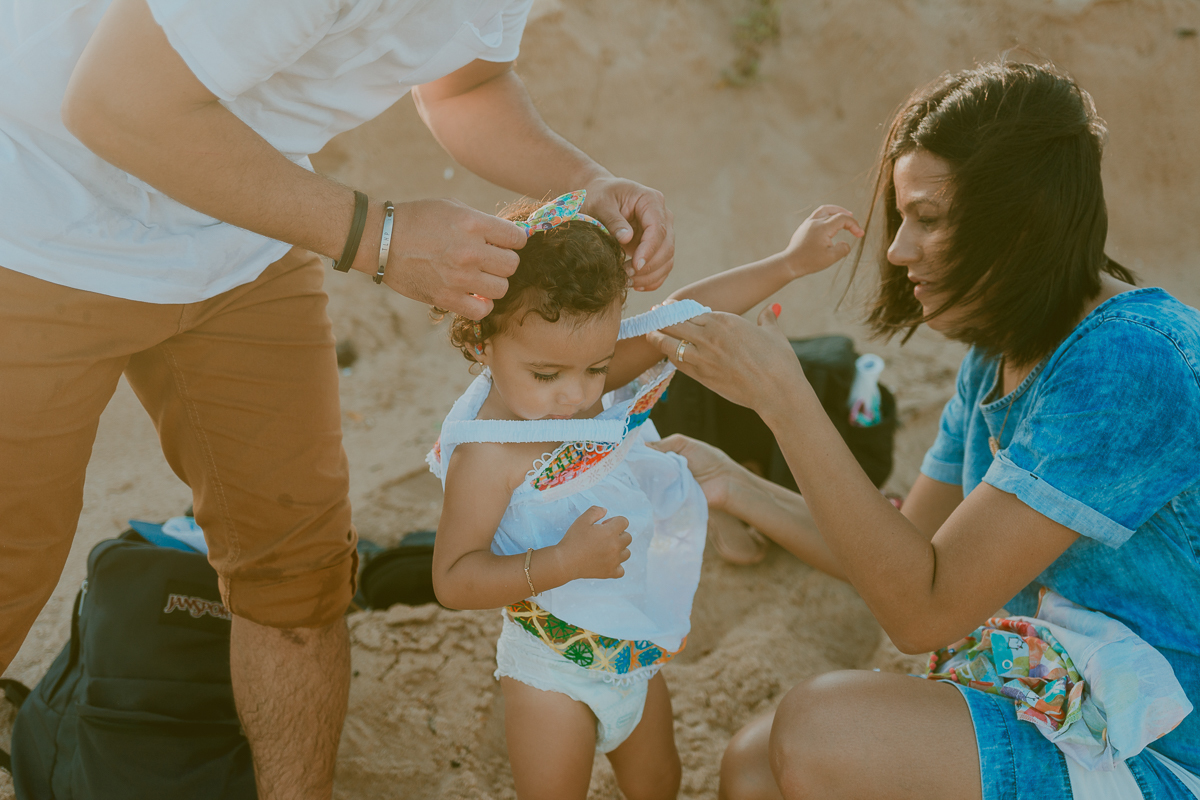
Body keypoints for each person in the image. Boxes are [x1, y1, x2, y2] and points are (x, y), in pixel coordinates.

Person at [0, 1, 674, 797]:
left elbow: (464, 85)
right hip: (39, 221)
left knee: (296, 571)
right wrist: (380, 238)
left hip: (240, 240)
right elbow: (113, 103)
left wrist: (587, 182)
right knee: (14, 557)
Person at [643, 61, 1200, 799]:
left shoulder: (1128, 361)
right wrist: (737, 486)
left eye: (928, 219)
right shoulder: (1000, 349)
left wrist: (786, 398)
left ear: (1023, 221)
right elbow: (907, 553)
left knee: (819, 730)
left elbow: (924, 611)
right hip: (1070, 697)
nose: (900, 250)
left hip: (1163, 748)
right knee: (751, 762)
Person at [426, 191, 862, 800]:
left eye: (598, 367)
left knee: (660, 782)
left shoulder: (572, 368)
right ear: (481, 343)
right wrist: (562, 564)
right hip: (552, 668)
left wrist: (787, 263)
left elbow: (682, 316)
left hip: (633, 647)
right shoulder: (486, 454)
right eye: (547, 375)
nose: (577, 396)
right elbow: (453, 578)